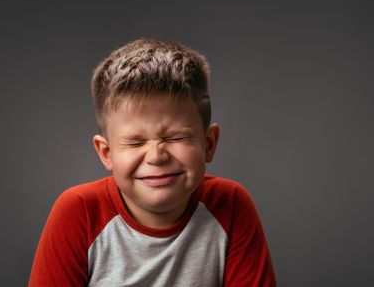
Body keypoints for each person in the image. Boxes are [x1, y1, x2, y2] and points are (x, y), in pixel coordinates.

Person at [28, 38, 277, 286]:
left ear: (209, 143)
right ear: (106, 153)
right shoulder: (79, 212)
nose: (157, 155)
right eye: (135, 143)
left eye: (177, 137)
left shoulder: (231, 205)